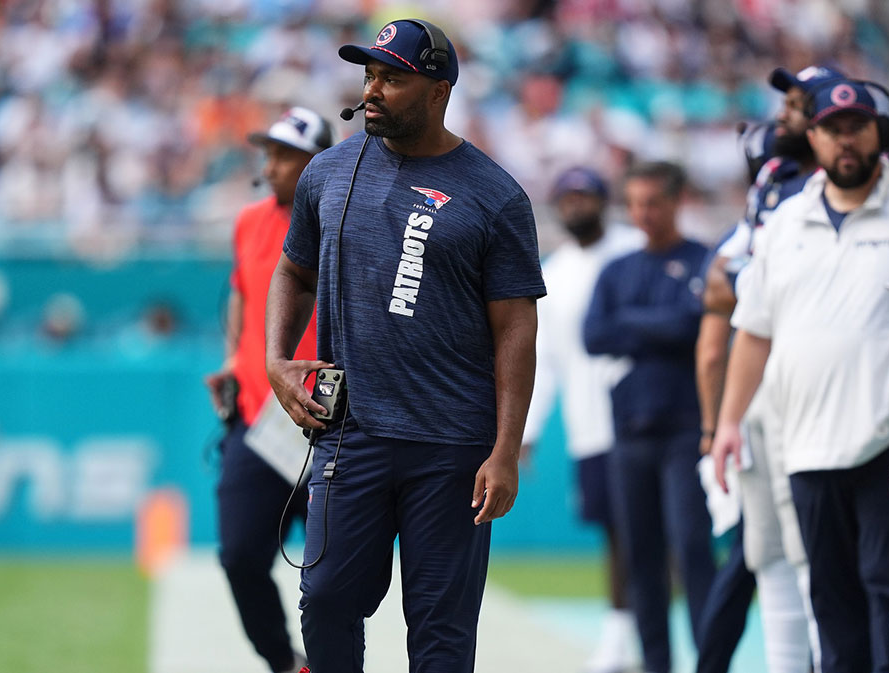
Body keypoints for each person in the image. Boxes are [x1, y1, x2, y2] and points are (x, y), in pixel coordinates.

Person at [264, 19, 544, 673]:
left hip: (452, 446)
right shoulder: (327, 173)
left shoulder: (496, 196)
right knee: (327, 596)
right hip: (351, 434)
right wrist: (275, 360)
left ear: (439, 88)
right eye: (369, 75)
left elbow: (516, 328)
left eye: (392, 77)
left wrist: (505, 450)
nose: (373, 90)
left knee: (441, 632)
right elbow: (293, 269)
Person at [712, 78, 889, 673]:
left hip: (886, 446)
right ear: (814, 136)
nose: (844, 141)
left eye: (855, 128)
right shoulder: (787, 220)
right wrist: (729, 423)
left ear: (877, 133)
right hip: (803, 445)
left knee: (887, 599)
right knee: (830, 605)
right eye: (831, 129)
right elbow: (754, 330)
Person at [695, 66, 840, 673]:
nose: (783, 115)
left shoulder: (858, 187)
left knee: (816, 553)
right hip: (760, 391)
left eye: (798, 105)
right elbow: (725, 279)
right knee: (769, 551)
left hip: (820, 386)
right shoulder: (777, 179)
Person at [203, 106, 332, 673]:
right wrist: (234, 355)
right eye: (271, 153)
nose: (272, 165)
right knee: (239, 555)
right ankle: (284, 663)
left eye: (286, 155)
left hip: (325, 417)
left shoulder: (340, 221)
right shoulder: (249, 220)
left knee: (335, 577)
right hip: (259, 418)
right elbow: (239, 292)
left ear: (318, 165)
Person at [582, 160, 715, 673]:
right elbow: (595, 336)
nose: (643, 214)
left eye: (653, 203)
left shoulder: (704, 260)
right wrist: (663, 326)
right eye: (635, 204)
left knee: (693, 548)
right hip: (630, 430)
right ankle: (656, 664)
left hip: (686, 428)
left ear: (676, 202)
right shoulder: (617, 270)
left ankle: (711, 659)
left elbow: (693, 325)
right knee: (641, 558)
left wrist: (633, 323)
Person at [522, 166, 642, 673]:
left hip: (649, 416)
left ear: (602, 200)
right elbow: (542, 359)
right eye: (566, 198)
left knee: (657, 530)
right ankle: (621, 637)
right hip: (590, 423)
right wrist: (526, 433)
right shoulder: (555, 272)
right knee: (617, 532)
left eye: (584, 196)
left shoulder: (635, 249)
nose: (576, 206)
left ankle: (646, 632)